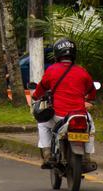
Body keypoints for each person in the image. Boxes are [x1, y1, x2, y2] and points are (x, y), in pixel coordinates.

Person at [31, 37, 96, 169]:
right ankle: (87, 156)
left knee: (43, 124)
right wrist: (89, 100)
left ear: (57, 54)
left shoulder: (52, 70)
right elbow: (92, 90)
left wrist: (36, 96)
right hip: (80, 115)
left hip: (59, 116)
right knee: (91, 127)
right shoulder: (82, 71)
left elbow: (41, 89)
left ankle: (48, 154)